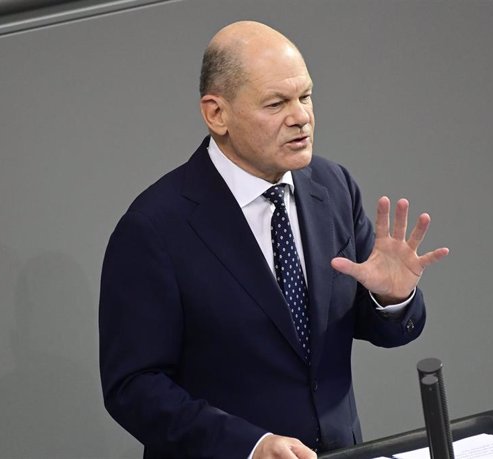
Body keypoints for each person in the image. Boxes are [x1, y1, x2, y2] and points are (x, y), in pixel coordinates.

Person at [99, 20, 449, 459]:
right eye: (276, 103)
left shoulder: (333, 186)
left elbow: (369, 328)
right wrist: (250, 445)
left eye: (305, 96)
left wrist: (392, 300)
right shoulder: (154, 228)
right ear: (216, 114)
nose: (300, 116)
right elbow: (133, 387)